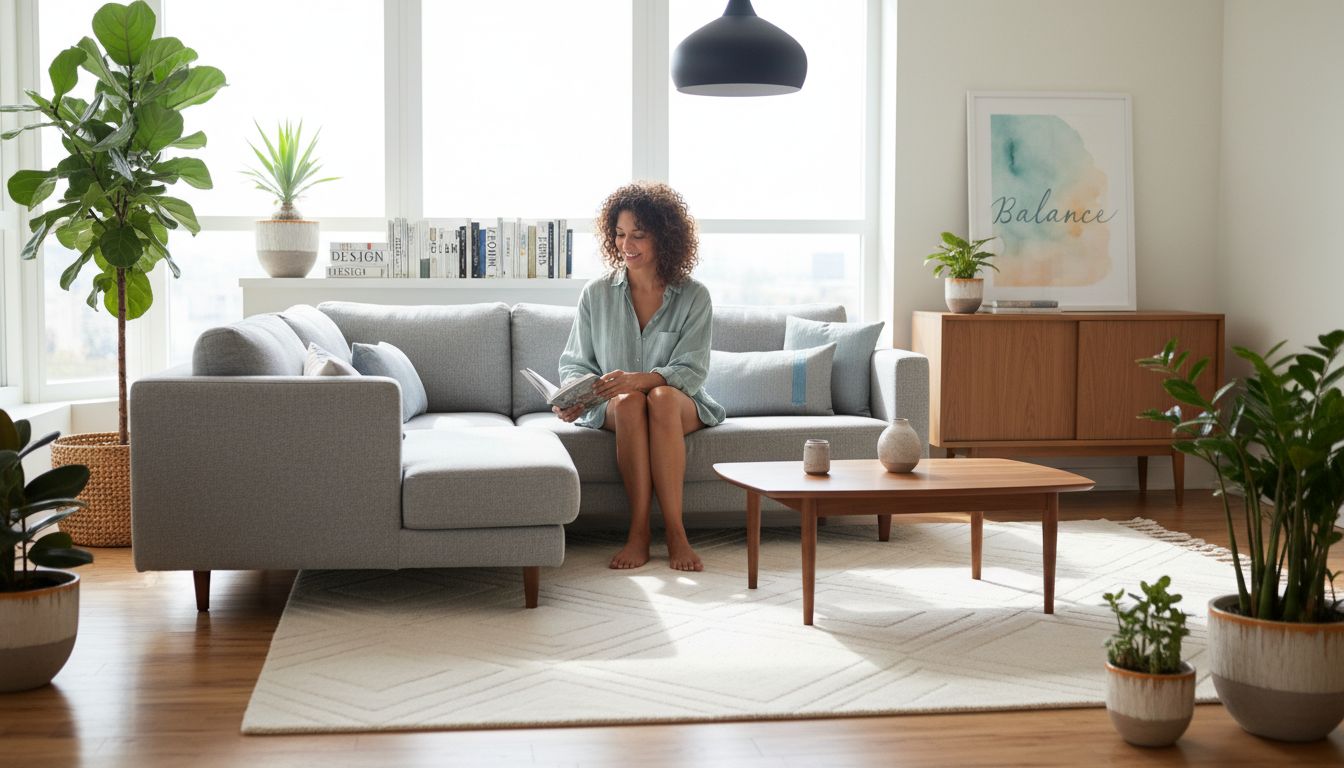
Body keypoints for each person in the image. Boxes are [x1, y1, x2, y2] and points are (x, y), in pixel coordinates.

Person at [556, 181, 725, 572]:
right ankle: (639, 533)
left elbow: (692, 370)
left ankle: (677, 533)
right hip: (618, 405)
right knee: (631, 403)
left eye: (638, 235)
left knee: (660, 398)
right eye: (619, 234)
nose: (625, 244)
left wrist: (642, 379)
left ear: (664, 238)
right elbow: (575, 363)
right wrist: (575, 396)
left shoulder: (694, 296)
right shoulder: (595, 294)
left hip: (680, 403)